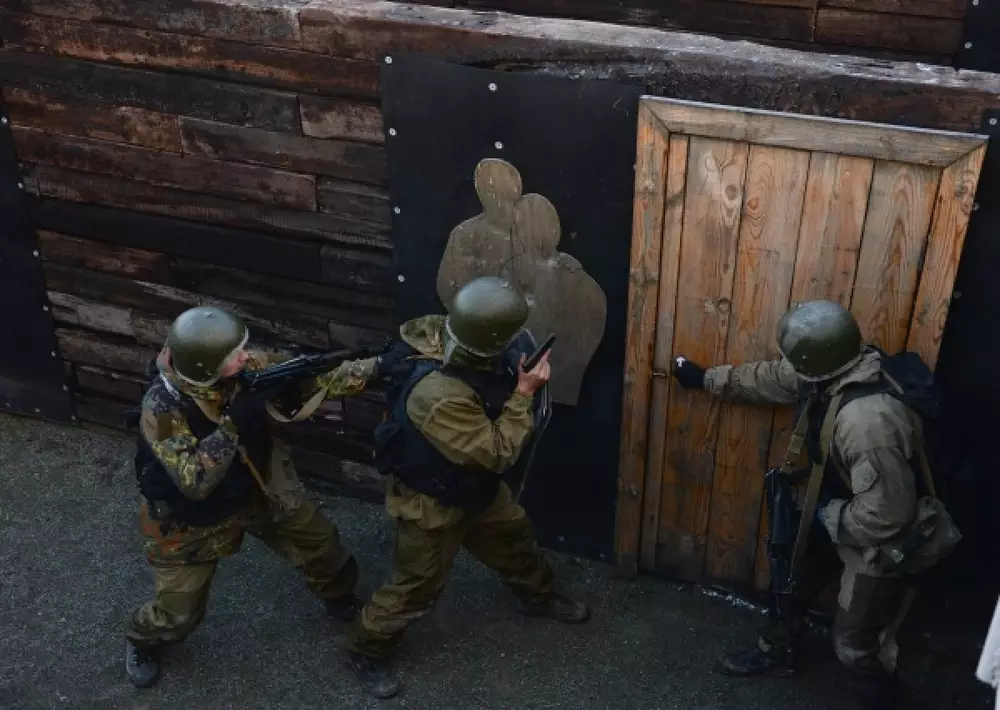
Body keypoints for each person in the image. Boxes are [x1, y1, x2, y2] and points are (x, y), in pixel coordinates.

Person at [671, 300, 936, 710]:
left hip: (878, 534)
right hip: (841, 505)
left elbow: (888, 515)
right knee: (788, 586)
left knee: (854, 641)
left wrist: (827, 516)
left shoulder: (867, 423)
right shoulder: (835, 369)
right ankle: (777, 651)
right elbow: (772, 378)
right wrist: (705, 378)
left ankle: (878, 698)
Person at [342, 276, 590, 698]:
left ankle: (538, 596)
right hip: (432, 500)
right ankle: (365, 649)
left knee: (515, 540)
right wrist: (524, 393)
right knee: (417, 585)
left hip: (475, 486)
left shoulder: (463, 340)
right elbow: (496, 452)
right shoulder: (437, 394)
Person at [122, 305, 386, 688]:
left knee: (321, 547)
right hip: (193, 518)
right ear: (207, 366)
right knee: (178, 613)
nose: (246, 358)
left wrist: (379, 368)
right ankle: (141, 639)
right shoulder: (162, 407)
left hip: (258, 487)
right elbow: (194, 480)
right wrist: (234, 423)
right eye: (234, 355)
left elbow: (315, 375)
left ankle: (337, 594)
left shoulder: (247, 370)